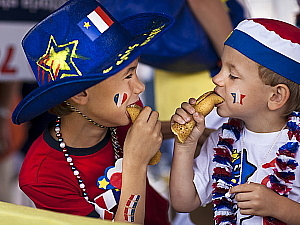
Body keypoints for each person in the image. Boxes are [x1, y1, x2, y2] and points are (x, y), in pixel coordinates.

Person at [12, 0, 174, 224]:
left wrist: (177, 129)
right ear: (80, 94)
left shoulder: (122, 112)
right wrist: (135, 164)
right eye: (128, 75)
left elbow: (143, 133)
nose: (139, 87)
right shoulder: (42, 176)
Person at [170, 18, 300, 225]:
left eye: (232, 75)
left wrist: (278, 206)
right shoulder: (220, 141)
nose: (217, 80)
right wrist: (185, 145)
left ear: (276, 96)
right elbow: (184, 203)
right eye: (221, 69)